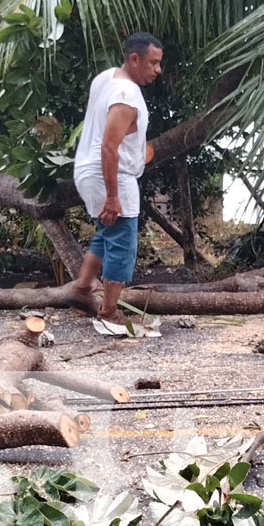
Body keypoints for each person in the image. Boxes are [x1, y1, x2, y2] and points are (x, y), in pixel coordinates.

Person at [71, 31, 164, 335]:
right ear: (134, 59)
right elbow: (109, 146)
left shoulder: (106, 78)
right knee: (123, 241)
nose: (157, 70)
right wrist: (112, 196)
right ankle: (108, 312)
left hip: (88, 170)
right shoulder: (127, 94)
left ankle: (83, 287)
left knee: (106, 232)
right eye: (153, 63)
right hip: (111, 175)